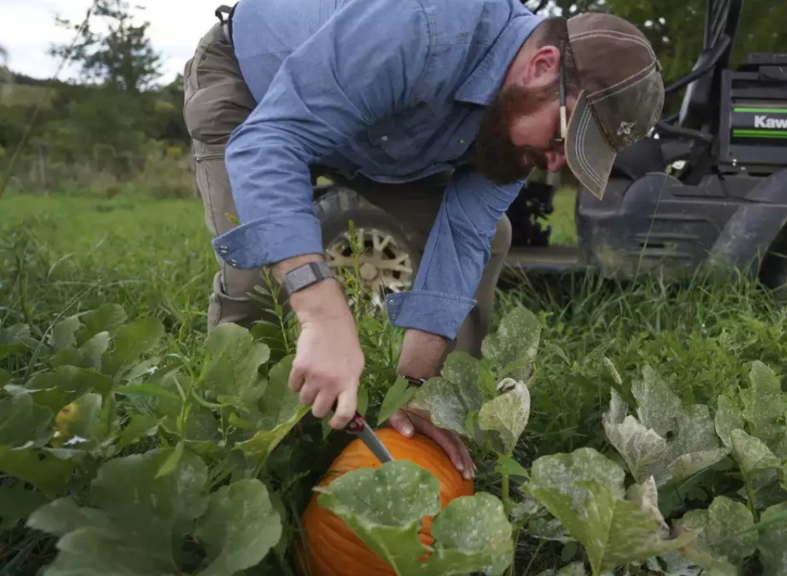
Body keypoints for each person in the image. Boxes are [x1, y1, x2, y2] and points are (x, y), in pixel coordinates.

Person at [183, 0, 664, 479]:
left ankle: (431, 413)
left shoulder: (518, 121)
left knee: (492, 235)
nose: (557, 164)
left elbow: (462, 233)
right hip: (257, 90)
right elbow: (273, 140)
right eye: (564, 137)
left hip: (383, 137)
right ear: (542, 67)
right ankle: (232, 449)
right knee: (256, 277)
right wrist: (323, 315)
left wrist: (415, 385)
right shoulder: (423, 24)